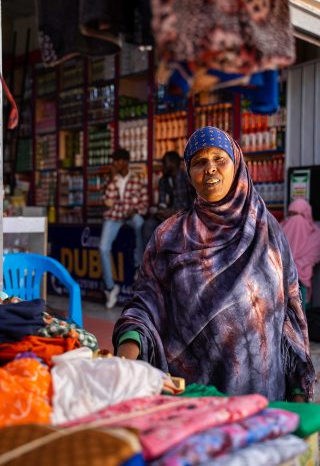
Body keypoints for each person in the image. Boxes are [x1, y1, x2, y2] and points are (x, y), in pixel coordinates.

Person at [113, 126, 315, 402]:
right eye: (199, 162)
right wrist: (126, 355)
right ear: (188, 173)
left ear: (237, 165)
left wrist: (297, 391)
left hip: (262, 400)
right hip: (194, 399)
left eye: (219, 159)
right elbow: (145, 304)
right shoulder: (170, 236)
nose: (210, 169)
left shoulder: (267, 230)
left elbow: (289, 315)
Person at [99, 148, 148, 309]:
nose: (115, 163)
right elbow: (108, 203)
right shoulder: (110, 180)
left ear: (125, 162)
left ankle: (138, 266)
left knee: (140, 223)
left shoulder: (137, 180)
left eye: (118, 160)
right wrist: (112, 180)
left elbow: (144, 203)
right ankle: (111, 288)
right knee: (103, 247)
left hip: (130, 215)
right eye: (114, 160)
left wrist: (136, 210)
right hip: (114, 216)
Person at [142, 150, 193, 247]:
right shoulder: (163, 180)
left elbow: (193, 205)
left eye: (164, 163)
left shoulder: (187, 178)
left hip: (185, 216)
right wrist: (161, 211)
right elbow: (162, 202)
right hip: (167, 217)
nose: (162, 166)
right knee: (148, 225)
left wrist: (175, 213)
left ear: (173, 164)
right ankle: (149, 260)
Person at [281, 198, 320, 308]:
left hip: (301, 284)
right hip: (280, 284)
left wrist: (294, 265)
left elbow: (313, 257)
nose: (295, 220)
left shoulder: (316, 236)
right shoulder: (280, 227)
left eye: (299, 215)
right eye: (291, 215)